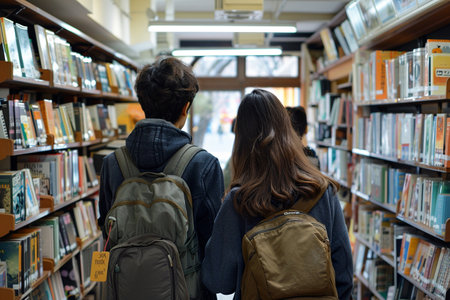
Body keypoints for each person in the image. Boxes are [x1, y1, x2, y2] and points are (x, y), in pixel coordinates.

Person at [201, 89, 353, 299]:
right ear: (287, 128)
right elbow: (343, 273)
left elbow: (218, 280)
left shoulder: (238, 201)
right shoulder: (323, 191)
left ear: (241, 139)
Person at [99, 56, 224, 299]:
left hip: (127, 289)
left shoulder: (113, 164)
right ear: (185, 108)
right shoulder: (203, 164)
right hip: (188, 291)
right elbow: (213, 245)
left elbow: (108, 232)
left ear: (143, 103)